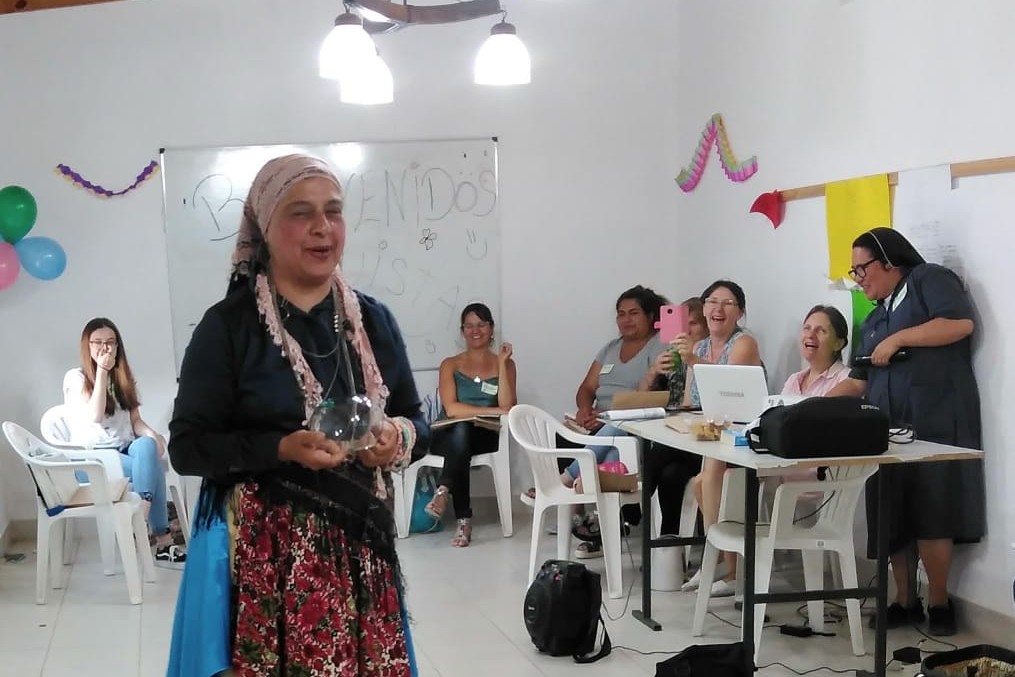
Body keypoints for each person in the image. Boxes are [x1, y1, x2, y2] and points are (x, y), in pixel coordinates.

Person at [166, 154, 429, 677]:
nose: (321, 227)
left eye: (334, 210)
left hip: (363, 553)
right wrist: (280, 448)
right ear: (265, 227)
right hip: (264, 562)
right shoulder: (228, 327)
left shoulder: (373, 321)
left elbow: (417, 423)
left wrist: (395, 438)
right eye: (300, 212)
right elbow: (187, 448)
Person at [827, 227, 985, 636]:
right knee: (891, 510)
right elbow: (858, 380)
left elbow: (959, 324)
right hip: (887, 427)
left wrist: (898, 338)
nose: (859, 279)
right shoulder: (873, 318)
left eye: (862, 269)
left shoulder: (927, 280)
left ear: (889, 262)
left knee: (934, 508)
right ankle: (904, 599)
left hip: (935, 418)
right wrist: (815, 403)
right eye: (854, 272)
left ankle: (939, 601)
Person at [62, 318, 185, 564]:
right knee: (153, 470)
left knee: (147, 446)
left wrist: (153, 436)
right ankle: (161, 539)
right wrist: (102, 372)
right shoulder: (76, 378)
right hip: (91, 459)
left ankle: (141, 517)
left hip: (124, 451)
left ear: (118, 346)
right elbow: (96, 415)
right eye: (97, 342)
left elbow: (135, 420)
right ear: (87, 346)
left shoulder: (123, 378)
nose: (104, 348)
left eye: (110, 342)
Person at [565, 285, 668, 558]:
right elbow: (586, 387)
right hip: (599, 420)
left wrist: (607, 416)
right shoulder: (609, 348)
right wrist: (585, 410)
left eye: (634, 313)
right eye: (621, 314)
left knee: (616, 437)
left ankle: (569, 480)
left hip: (632, 422)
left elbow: (653, 395)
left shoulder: (660, 345)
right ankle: (597, 524)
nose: (626, 319)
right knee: (608, 448)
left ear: (650, 316)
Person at [675, 280, 762, 595]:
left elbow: (728, 390)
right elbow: (690, 401)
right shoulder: (698, 348)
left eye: (727, 303)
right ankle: (724, 563)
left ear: (740, 312)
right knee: (699, 479)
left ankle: (720, 564)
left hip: (744, 435)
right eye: (712, 301)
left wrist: (692, 361)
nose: (718, 309)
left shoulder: (744, 343)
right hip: (711, 435)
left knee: (708, 474)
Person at [424, 302, 517, 547]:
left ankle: (445, 494)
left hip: (485, 435)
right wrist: (492, 410)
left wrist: (501, 363)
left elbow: (507, 404)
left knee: (462, 437)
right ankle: (462, 518)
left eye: (481, 325)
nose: (475, 331)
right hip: (447, 433)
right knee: (460, 432)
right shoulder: (450, 364)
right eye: (469, 326)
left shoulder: (506, 364)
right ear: (462, 331)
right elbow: (452, 409)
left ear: (491, 328)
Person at [635, 297, 708, 537]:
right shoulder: (673, 356)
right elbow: (641, 397)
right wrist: (653, 372)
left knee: (660, 450)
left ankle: (632, 508)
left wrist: (693, 360)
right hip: (678, 434)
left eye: (693, 324)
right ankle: (670, 547)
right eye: (683, 325)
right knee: (671, 475)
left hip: (701, 440)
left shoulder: (707, 357)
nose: (686, 331)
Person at [781, 304, 850, 397]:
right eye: (807, 328)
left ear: (838, 344)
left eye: (821, 330)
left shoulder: (846, 380)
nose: (810, 335)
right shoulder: (794, 380)